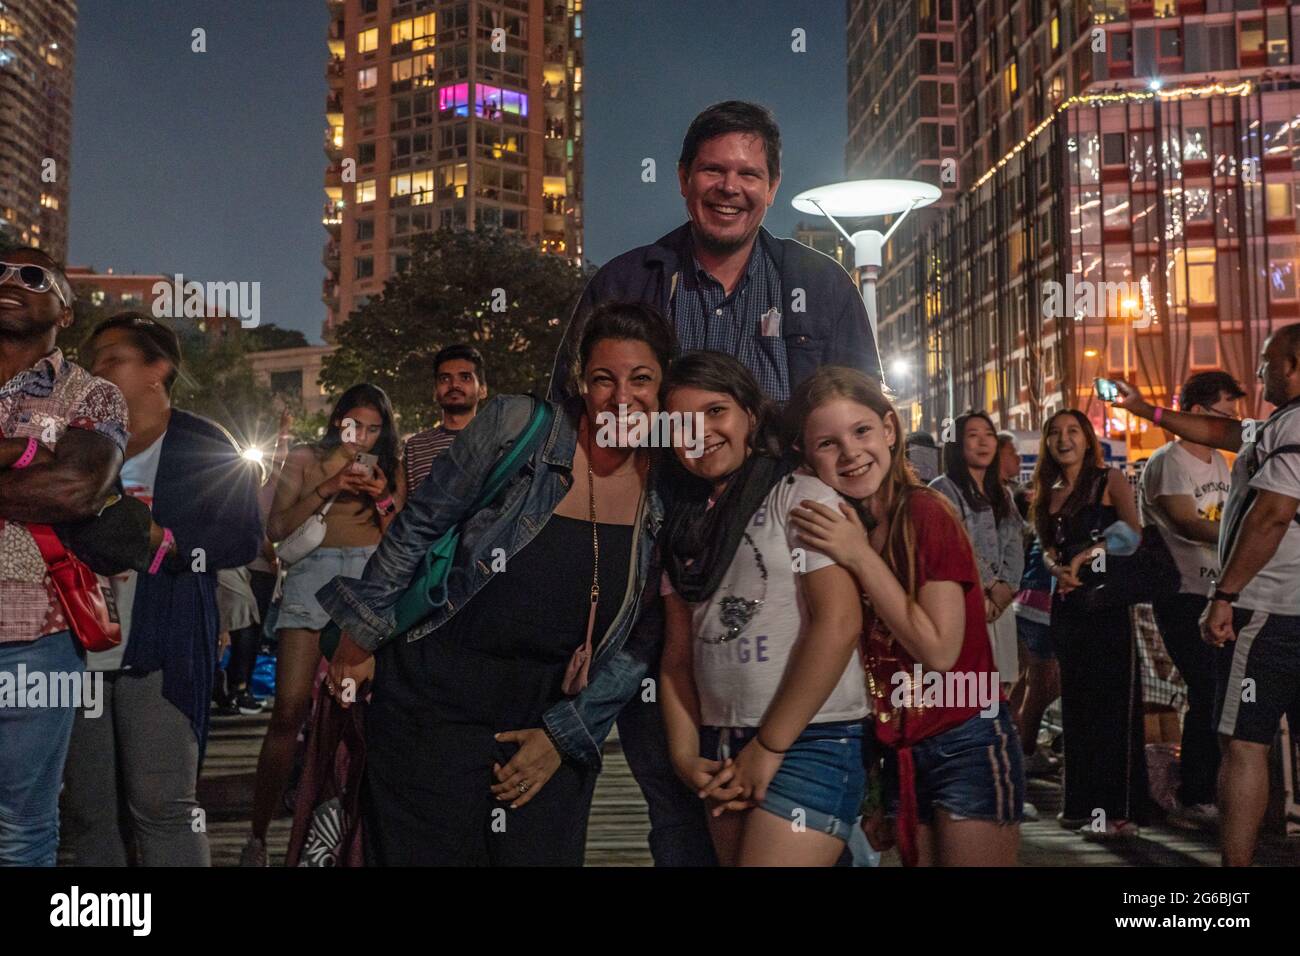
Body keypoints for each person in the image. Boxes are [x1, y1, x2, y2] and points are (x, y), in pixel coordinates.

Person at [547, 101, 883, 866]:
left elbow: (860, 424)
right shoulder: (628, 280)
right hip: (657, 564)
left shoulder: (817, 285)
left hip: (787, 565)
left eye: (748, 174)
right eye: (713, 170)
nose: (729, 187)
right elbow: (575, 423)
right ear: (682, 180)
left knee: (806, 793)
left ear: (772, 187)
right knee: (680, 806)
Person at [319, 302, 676, 865]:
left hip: (544, 721)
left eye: (642, 379)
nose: (622, 397)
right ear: (581, 381)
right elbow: (420, 524)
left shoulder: (665, 484)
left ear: (662, 389)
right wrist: (359, 638)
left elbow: (644, 637)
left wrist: (566, 734)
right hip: (433, 704)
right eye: (604, 379)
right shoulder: (519, 427)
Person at [788, 366, 1022, 866]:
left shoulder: (925, 512)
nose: (850, 453)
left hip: (965, 736)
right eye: (827, 444)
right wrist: (875, 785)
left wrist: (859, 556)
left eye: (862, 431)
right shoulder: (851, 526)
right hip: (897, 747)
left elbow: (938, 649)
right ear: (806, 459)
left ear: (890, 430)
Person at [60, 313, 262, 866]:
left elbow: (242, 539)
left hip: (164, 646)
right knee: (88, 812)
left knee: (163, 805)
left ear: (159, 369)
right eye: (91, 360)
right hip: (76, 647)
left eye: (112, 359)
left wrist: (162, 541)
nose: (95, 370)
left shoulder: (204, 444)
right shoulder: (74, 442)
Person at [658, 351, 867, 866]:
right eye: (681, 420)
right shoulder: (683, 525)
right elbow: (676, 656)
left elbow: (838, 625)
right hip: (722, 743)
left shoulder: (797, 494)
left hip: (811, 738)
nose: (699, 431)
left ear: (750, 414)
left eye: (715, 411)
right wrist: (687, 758)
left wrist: (769, 748)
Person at [1113, 327, 1300, 865]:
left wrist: (1226, 594)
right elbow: (1225, 431)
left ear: (1293, 363)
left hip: (1271, 609)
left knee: (1243, 742)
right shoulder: (1278, 427)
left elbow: (1271, 516)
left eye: (1267, 363)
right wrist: (1146, 410)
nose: (1260, 374)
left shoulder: (1292, 430)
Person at [0, 249, 127, 866]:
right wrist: (29, 456)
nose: (8, 281)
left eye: (30, 276)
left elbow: (76, 491)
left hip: (35, 637)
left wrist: (50, 472)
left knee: (20, 827)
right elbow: (50, 484)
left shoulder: (93, 395)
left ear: (66, 312)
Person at [242, 383, 401, 865]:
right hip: (313, 574)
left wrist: (383, 499)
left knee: (370, 712)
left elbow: (406, 536)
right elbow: (276, 529)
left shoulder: (393, 465)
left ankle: (364, 835)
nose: (364, 438)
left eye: (375, 429)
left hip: (371, 574)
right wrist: (328, 487)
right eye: (355, 426)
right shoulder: (307, 457)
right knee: (289, 708)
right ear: (338, 422)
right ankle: (257, 835)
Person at [1031, 409, 1148, 840]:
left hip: (1106, 606)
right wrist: (1054, 566)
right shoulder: (1048, 490)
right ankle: (1080, 804)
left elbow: (1133, 536)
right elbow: (1044, 547)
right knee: (1077, 707)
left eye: (1072, 431)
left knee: (1111, 707)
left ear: (1087, 438)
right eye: (1055, 433)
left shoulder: (1108, 480)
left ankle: (1117, 813)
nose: (1064, 439)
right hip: (1067, 607)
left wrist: (1086, 555)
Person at [1137, 370, 1242, 831]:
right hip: (1180, 592)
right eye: (1225, 409)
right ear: (1196, 413)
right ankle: (1193, 790)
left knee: (1221, 687)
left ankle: (1208, 784)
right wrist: (1249, 535)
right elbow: (1186, 522)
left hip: (1219, 592)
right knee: (1206, 687)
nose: (1233, 418)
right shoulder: (1168, 461)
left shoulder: (1221, 462)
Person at [930, 412, 1024, 689]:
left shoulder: (1002, 492)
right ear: (957, 444)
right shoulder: (942, 490)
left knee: (1002, 688)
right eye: (973, 435)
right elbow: (955, 544)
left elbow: (1014, 541)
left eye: (989, 434)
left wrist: (1007, 587)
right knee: (970, 690)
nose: (983, 442)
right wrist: (991, 585)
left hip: (1001, 604)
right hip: (965, 602)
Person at [403, 344, 487, 494]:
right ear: (435, 391)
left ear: (482, 390)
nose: (454, 384)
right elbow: (405, 511)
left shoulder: (498, 441)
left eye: (465, 377)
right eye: (445, 379)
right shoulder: (415, 447)